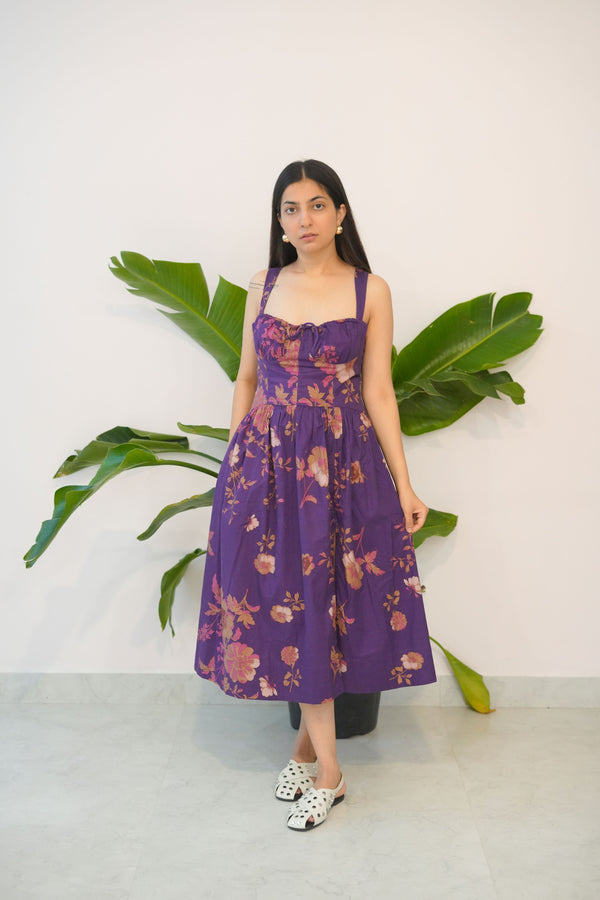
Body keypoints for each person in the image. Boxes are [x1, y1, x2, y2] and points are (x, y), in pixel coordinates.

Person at [195, 159, 436, 830]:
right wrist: (238, 460)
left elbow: (378, 390)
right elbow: (247, 379)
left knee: (327, 604)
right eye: (291, 208)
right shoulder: (264, 285)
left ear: (340, 213)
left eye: (317, 205)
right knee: (288, 600)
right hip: (267, 465)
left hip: (343, 466)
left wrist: (405, 483)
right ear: (280, 222)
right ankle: (317, 758)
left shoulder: (370, 290)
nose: (304, 219)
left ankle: (327, 771)